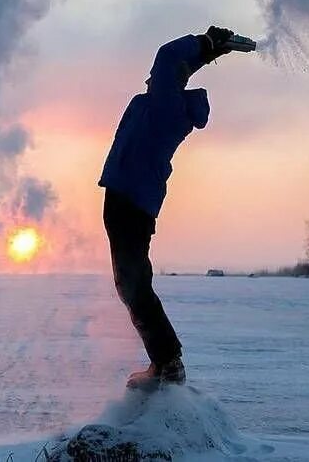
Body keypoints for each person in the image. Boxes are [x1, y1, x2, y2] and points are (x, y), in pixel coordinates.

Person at [98, 26, 234, 390]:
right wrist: (206, 54)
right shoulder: (163, 107)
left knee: (134, 284)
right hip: (130, 200)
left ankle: (167, 362)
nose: (149, 79)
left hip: (130, 201)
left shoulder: (165, 108)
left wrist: (203, 44)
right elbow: (174, 69)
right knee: (131, 284)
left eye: (157, 80)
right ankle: (164, 361)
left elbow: (167, 58)